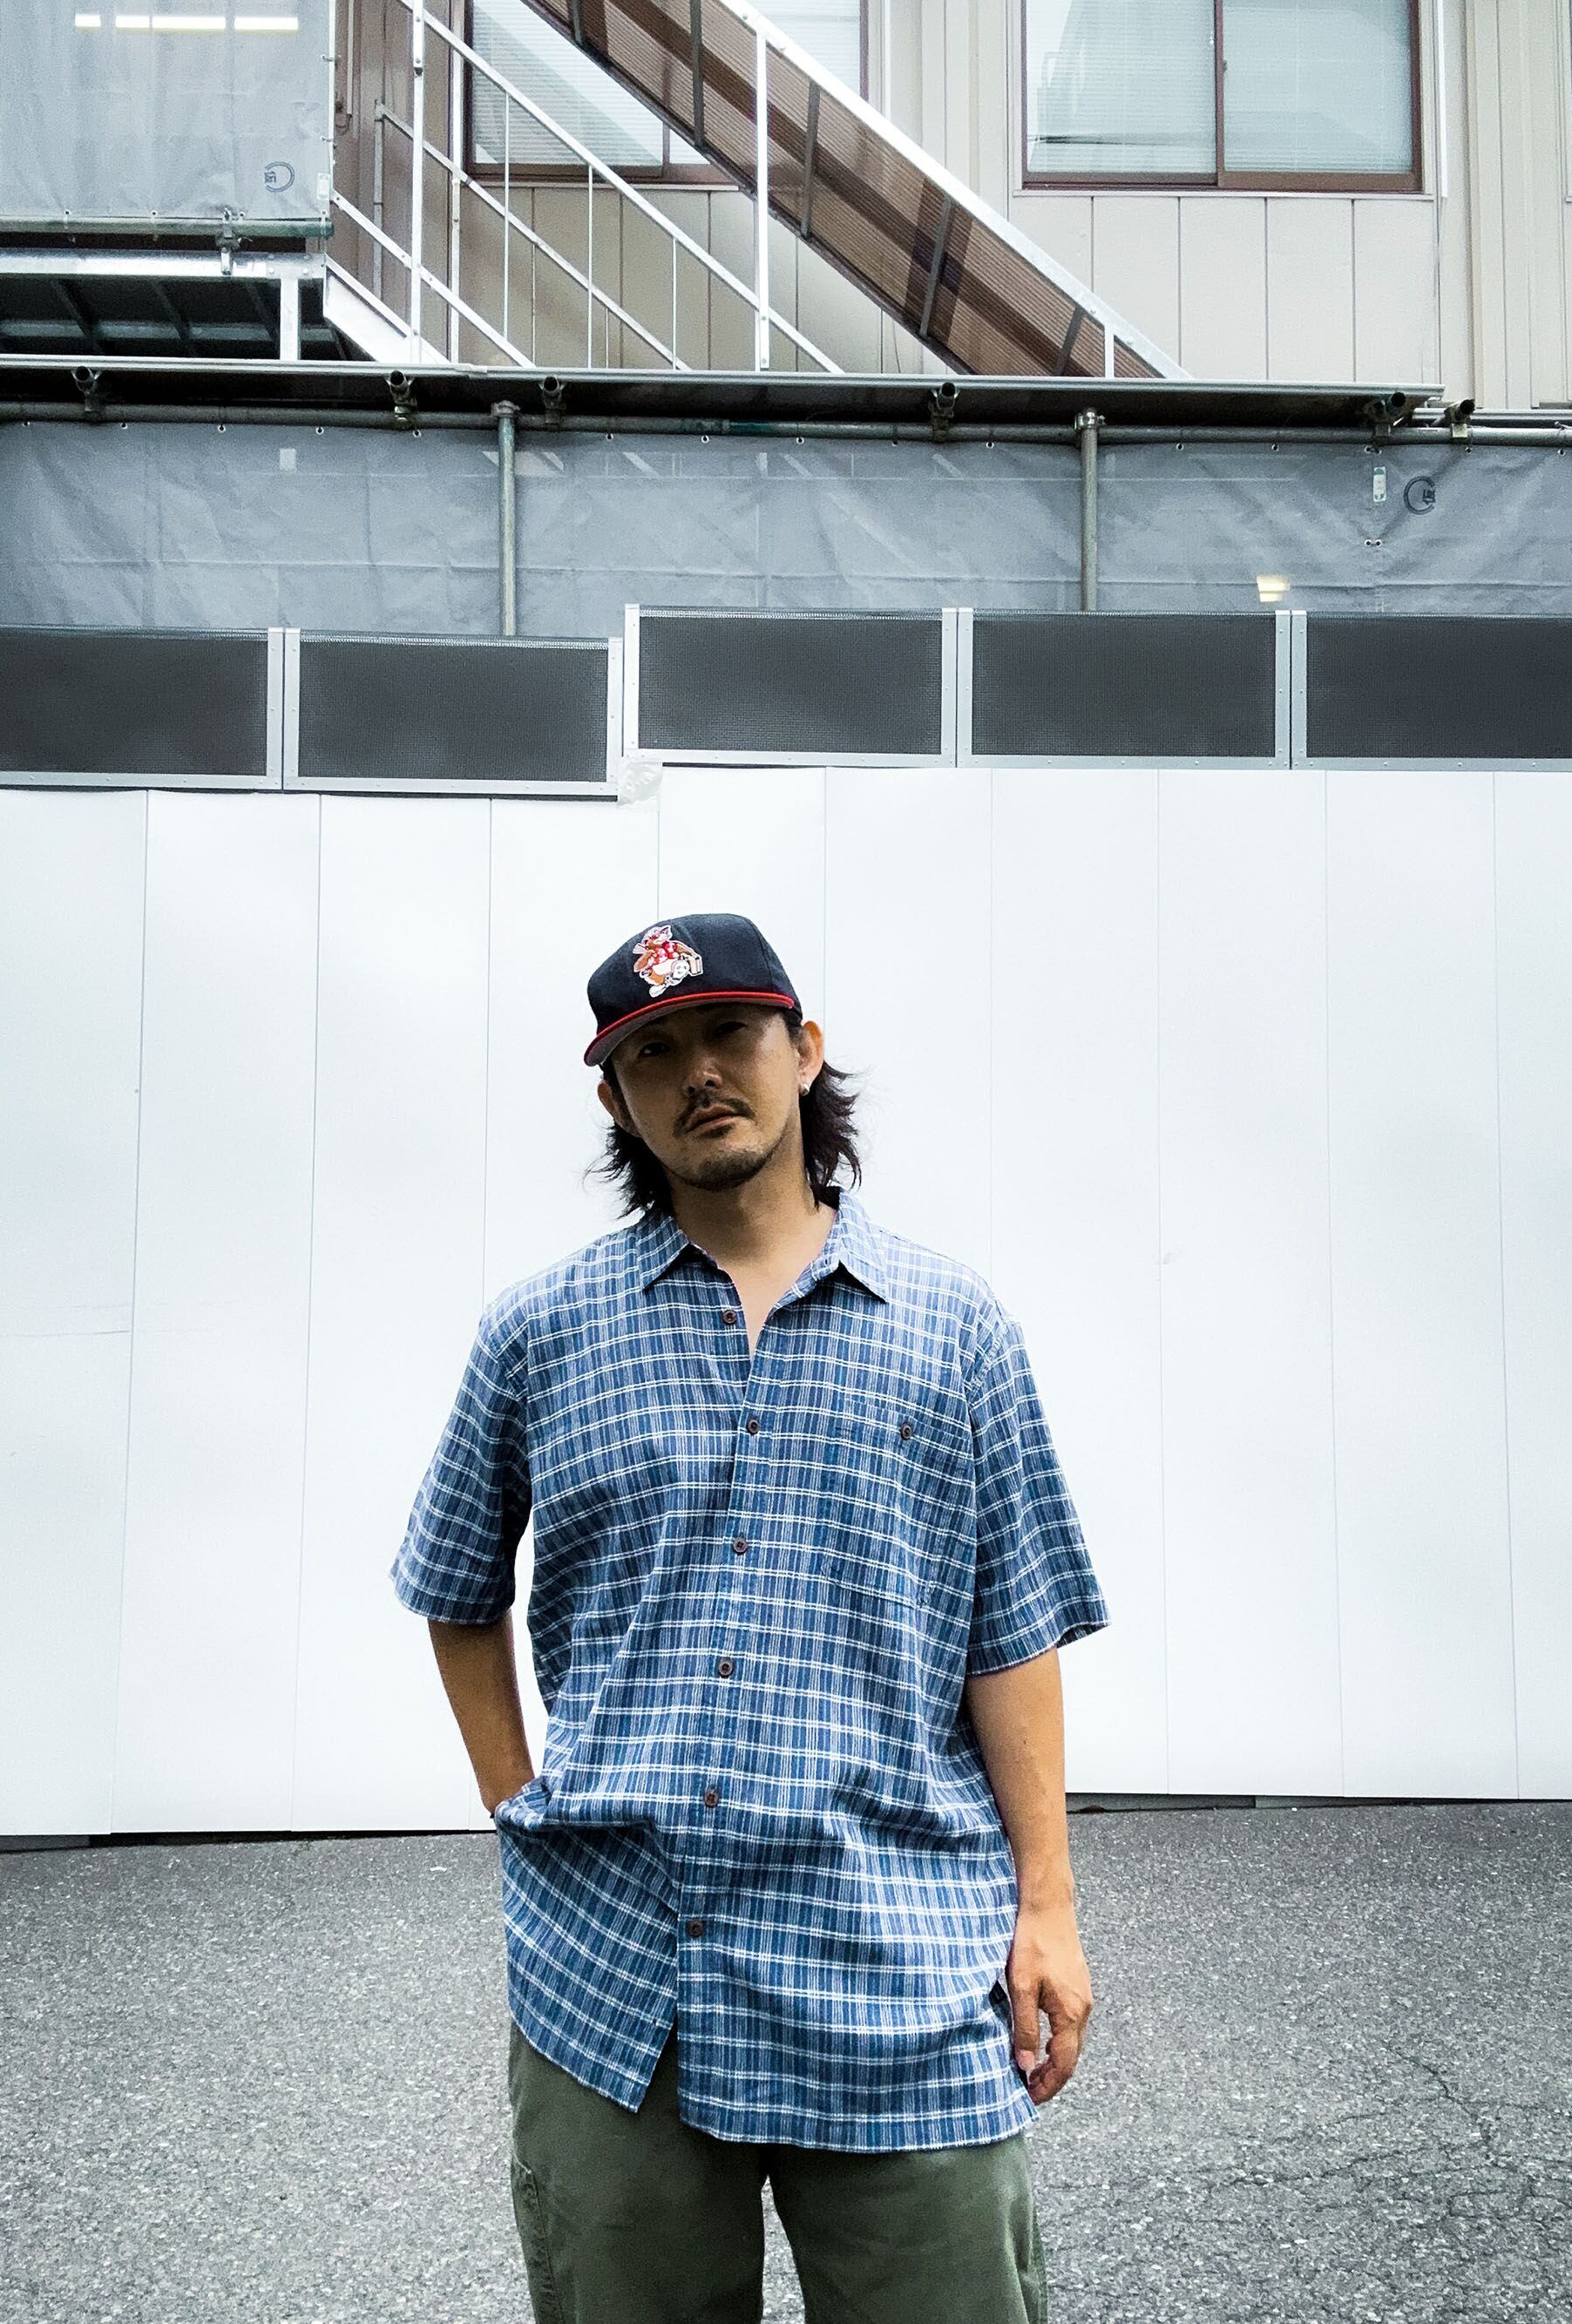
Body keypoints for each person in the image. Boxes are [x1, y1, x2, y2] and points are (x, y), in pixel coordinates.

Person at [390, 911, 1110, 2324]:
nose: (699, 1073)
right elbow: (456, 1586)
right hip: (617, 1983)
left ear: (805, 1049)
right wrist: (515, 1803)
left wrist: (1049, 1907)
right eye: (653, 1054)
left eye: (729, 1033)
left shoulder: (952, 1328)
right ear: (618, 1100)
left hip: (894, 1969)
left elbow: (1011, 1631)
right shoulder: (540, 1335)